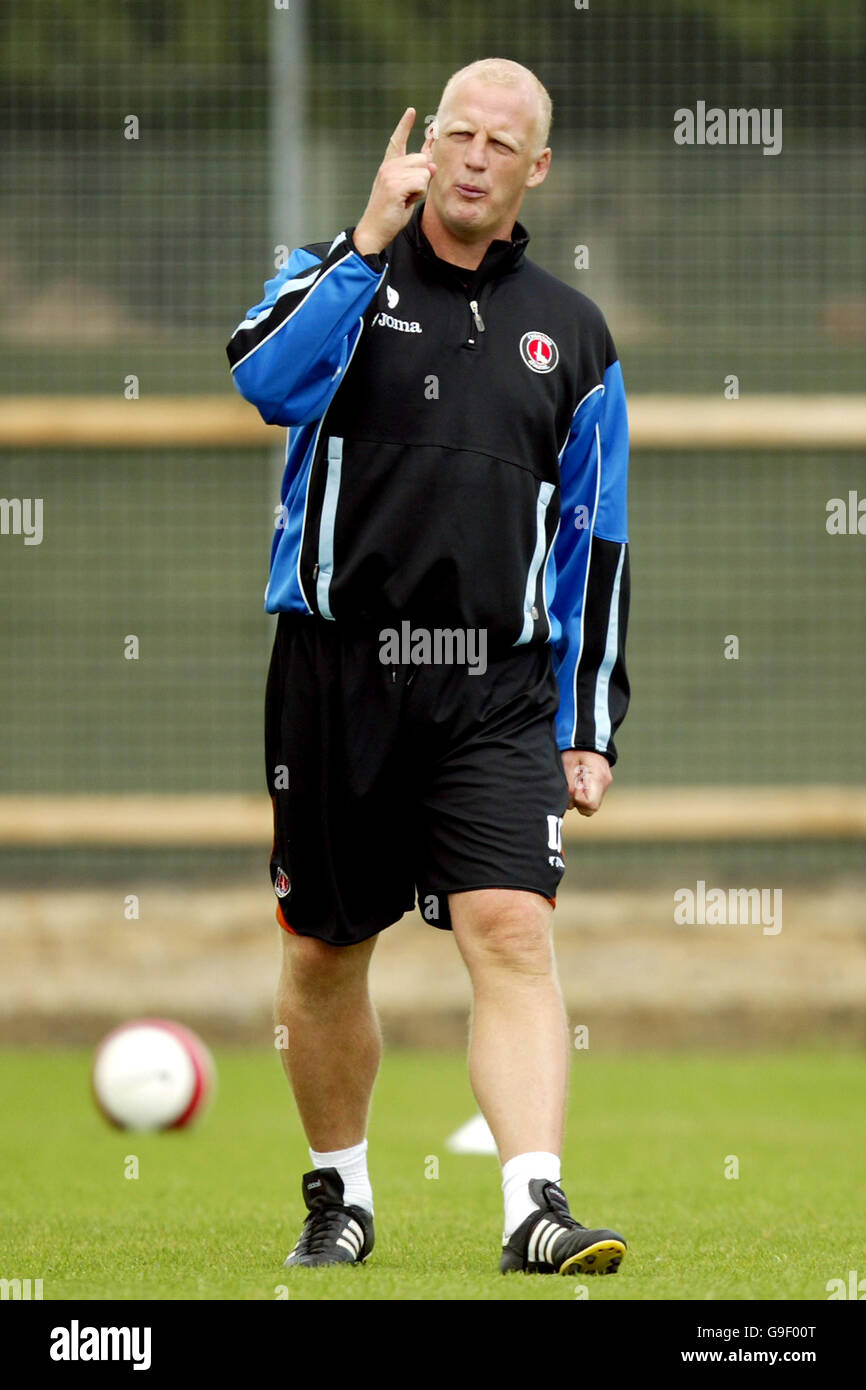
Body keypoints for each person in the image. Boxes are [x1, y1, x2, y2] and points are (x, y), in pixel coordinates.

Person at [226, 57, 630, 1277]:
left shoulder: (574, 334)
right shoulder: (333, 277)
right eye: (456, 132)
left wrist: (587, 721)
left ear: (533, 169)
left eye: (499, 144)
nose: (470, 157)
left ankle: (533, 1207)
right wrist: (362, 243)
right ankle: (338, 1196)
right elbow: (262, 378)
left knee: (512, 929)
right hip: (336, 670)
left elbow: (595, 541)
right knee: (321, 952)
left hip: (494, 687)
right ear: (423, 142)